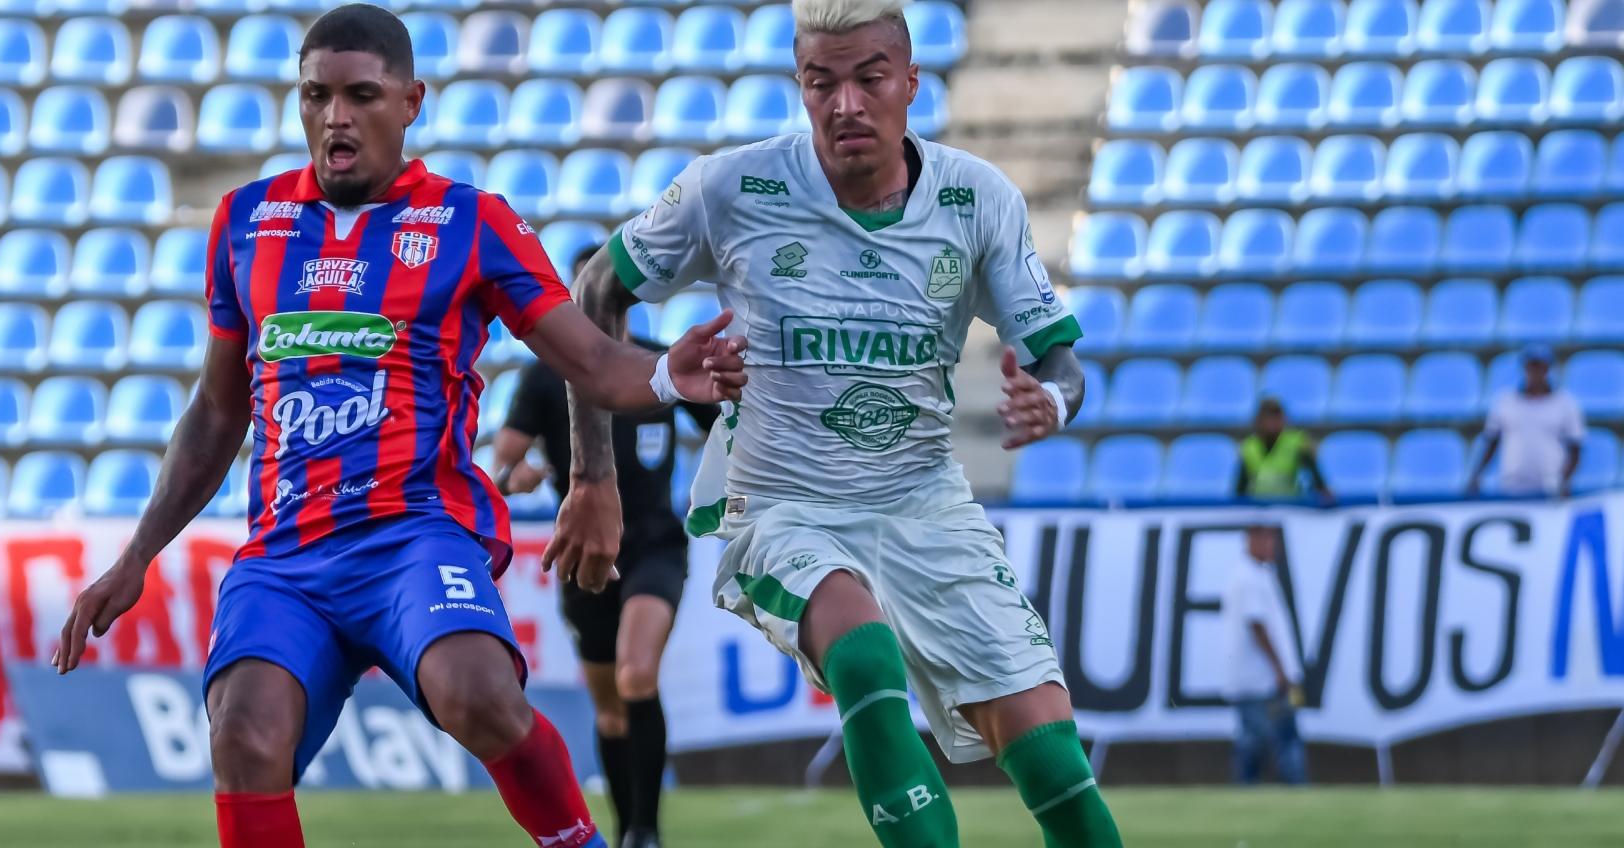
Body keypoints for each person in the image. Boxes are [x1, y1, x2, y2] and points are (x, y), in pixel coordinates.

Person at [47, 8, 746, 848]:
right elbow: (218, 410)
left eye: (360, 95)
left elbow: (591, 359)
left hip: (415, 535)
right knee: (242, 734)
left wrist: (668, 375)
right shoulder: (246, 220)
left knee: (480, 695)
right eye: (316, 95)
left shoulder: (472, 222)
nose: (335, 115)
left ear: (412, 101)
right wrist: (136, 555)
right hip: (287, 556)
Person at [555, 0, 1126, 843]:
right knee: (862, 655)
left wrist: (1056, 399)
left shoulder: (977, 198)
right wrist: (592, 476)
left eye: (868, 79)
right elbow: (596, 288)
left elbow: (1058, 360)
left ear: (909, 83)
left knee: (1051, 758)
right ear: (801, 84)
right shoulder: (732, 186)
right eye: (822, 83)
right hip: (784, 506)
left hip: (926, 505)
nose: (846, 104)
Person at [490, 246, 718, 848]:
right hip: (586, 555)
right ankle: (623, 832)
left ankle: (646, 832)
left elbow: (724, 425)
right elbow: (502, 470)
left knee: (637, 673)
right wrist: (521, 477)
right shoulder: (545, 375)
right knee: (611, 708)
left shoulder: (657, 364)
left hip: (654, 547)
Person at [1222, 524, 1307, 786]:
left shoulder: (1259, 573)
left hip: (1264, 679)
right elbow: (1257, 626)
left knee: (1268, 739)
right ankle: (1283, 791)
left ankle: (1255, 791)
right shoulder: (1248, 576)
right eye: (1267, 538)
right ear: (1252, 539)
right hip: (1260, 680)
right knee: (1266, 741)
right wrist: (1280, 670)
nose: (1273, 545)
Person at [1468, 344, 1585, 498]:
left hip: (1550, 487)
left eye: (1540, 367)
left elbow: (1575, 449)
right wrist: (1477, 474)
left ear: (1548, 369)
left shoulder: (1565, 403)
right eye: (1532, 367)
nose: (1536, 372)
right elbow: (1492, 442)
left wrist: (1563, 480)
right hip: (1512, 485)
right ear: (1524, 368)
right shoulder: (1505, 401)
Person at [1235, 398, 1332, 502]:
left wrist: (1323, 492)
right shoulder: (1249, 447)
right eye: (1268, 418)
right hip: (1259, 509)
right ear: (1259, 420)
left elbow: (1316, 477)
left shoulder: (1297, 443)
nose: (1272, 423)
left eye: (1276, 417)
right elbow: (1241, 488)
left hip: (1289, 506)